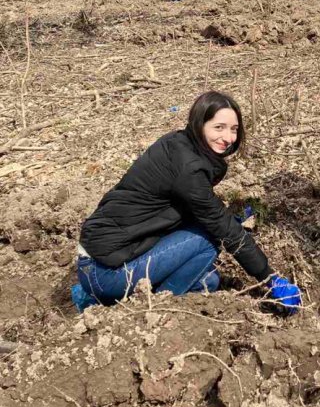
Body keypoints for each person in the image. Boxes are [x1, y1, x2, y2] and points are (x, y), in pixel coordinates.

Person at [70, 91, 301, 314]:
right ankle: (147, 308)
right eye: (218, 127)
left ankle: (104, 297)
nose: (228, 138)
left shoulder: (179, 143)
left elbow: (189, 208)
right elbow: (220, 226)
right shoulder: (188, 168)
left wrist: (230, 220)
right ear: (199, 123)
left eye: (234, 129)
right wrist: (270, 278)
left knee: (208, 282)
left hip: (105, 259)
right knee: (210, 237)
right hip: (106, 272)